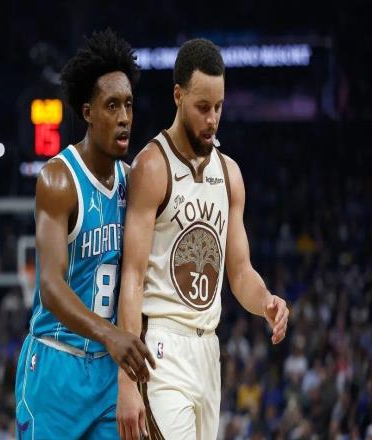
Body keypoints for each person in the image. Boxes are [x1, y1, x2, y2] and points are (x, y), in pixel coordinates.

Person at [116, 38, 290, 440]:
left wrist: (265, 301)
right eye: (202, 107)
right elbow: (133, 278)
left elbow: (240, 272)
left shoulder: (230, 174)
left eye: (219, 107)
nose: (213, 119)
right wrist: (126, 379)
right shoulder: (152, 166)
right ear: (178, 96)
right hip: (160, 347)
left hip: (208, 350)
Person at [14, 29, 155, 440]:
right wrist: (112, 335)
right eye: (112, 105)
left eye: (128, 104)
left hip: (110, 371)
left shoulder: (133, 183)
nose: (125, 116)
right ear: (88, 112)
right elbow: (51, 287)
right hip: (57, 366)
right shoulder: (59, 179)